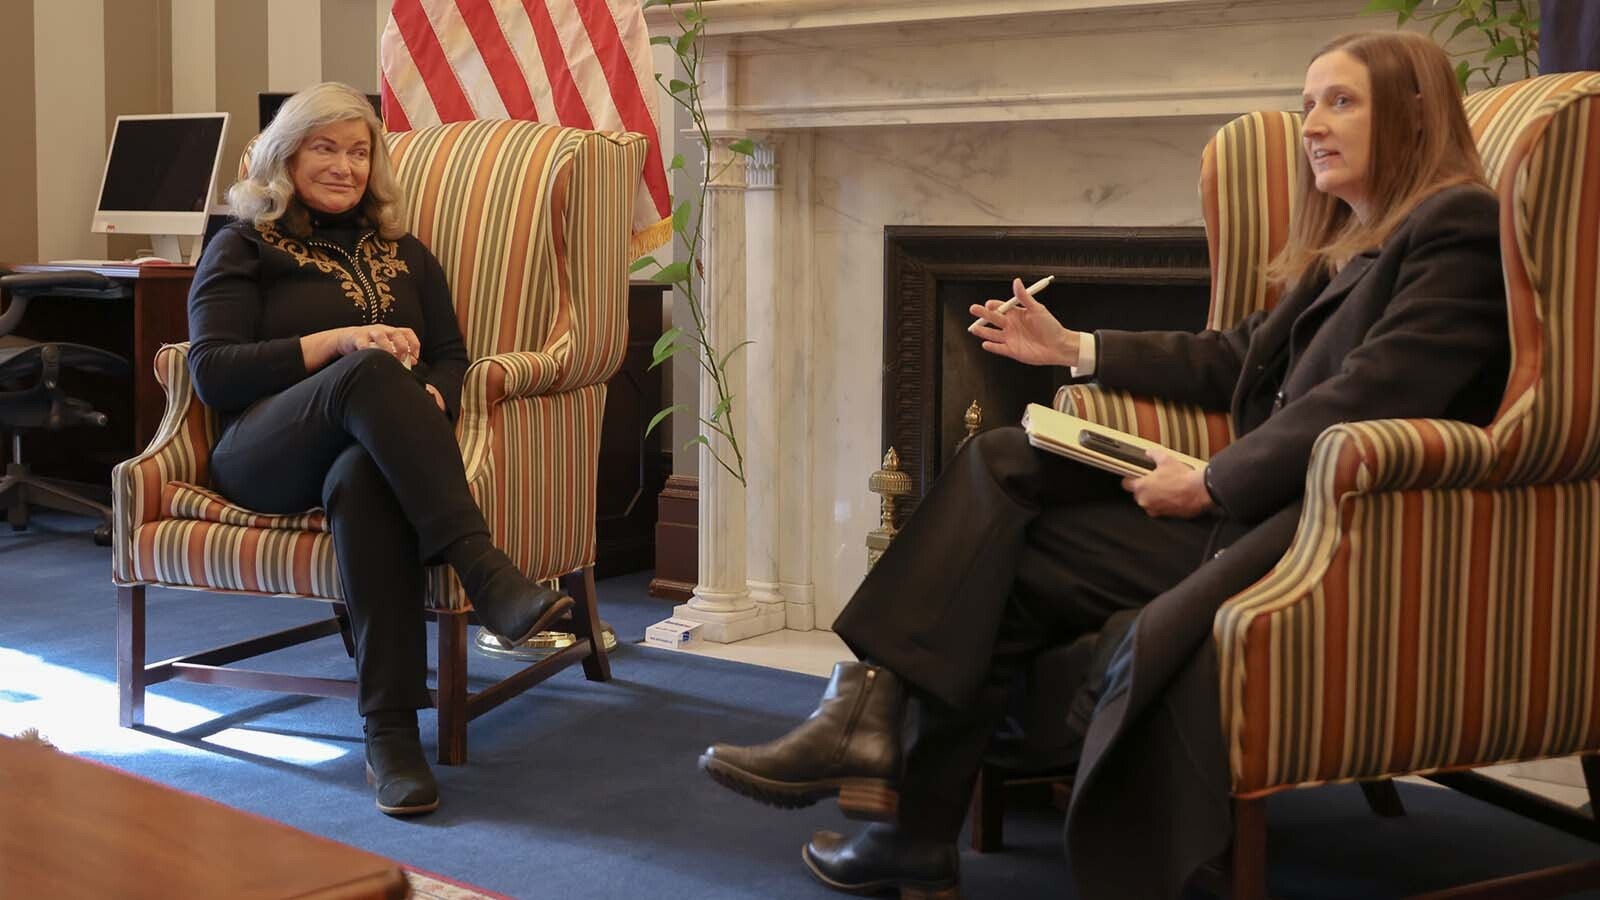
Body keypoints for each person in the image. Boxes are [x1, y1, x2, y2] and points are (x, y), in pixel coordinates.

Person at [698, 31, 1510, 899]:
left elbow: (1366, 399)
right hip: (1263, 511)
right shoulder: (1352, 244)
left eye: (1341, 102)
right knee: (1005, 473)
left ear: (1417, 113)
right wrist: (1072, 347)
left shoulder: (1455, 227)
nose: (1311, 125)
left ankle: (878, 740)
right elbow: (1237, 355)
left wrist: (1209, 480)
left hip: (1321, 541)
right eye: (1307, 103)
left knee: (997, 545)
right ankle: (901, 799)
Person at [187, 82, 575, 818]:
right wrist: (339, 343)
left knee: (365, 477)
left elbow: (453, 356)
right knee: (365, 366)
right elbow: (213, 371)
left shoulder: (406, 253)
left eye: (359, 151)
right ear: (286, 155)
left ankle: (391, 736)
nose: (345, 165)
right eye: (325, 147)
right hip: (261, 452)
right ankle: (485, 572)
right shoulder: (242, 243)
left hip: (362, 452)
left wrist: (431, 396)